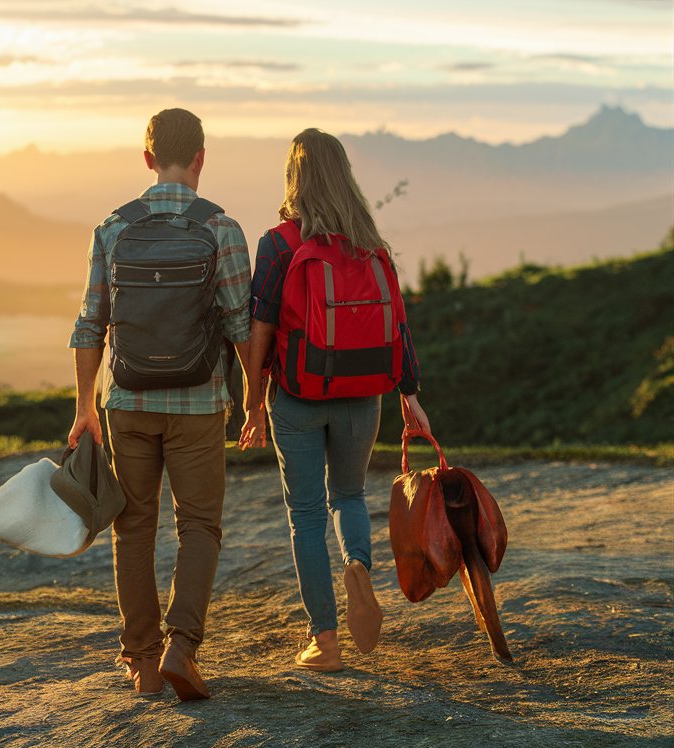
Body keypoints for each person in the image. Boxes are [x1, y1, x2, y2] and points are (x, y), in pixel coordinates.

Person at [68, 108, 254, 699]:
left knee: (133, 529)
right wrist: (254, 400)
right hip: (200, 404)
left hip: (126, 401)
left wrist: (83, 408)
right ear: (201, 158)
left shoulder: (114, 228)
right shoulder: (222, 229)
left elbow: (89, 325)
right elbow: (242, 324)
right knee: (199, 525)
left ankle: (144, 662)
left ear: (147, 159)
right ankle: (182, 647)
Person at [239, 127, 430, 672]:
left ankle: (324, 640)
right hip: (363, 395)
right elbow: (398, 323)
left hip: (298, 396)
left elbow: (262, 326)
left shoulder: (279, 243)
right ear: (344, 175)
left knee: (304, 515)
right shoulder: (370, 242)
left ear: (294, 177)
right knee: (346, 496)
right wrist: (409, 393)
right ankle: (358, 565)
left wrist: (253, 399)